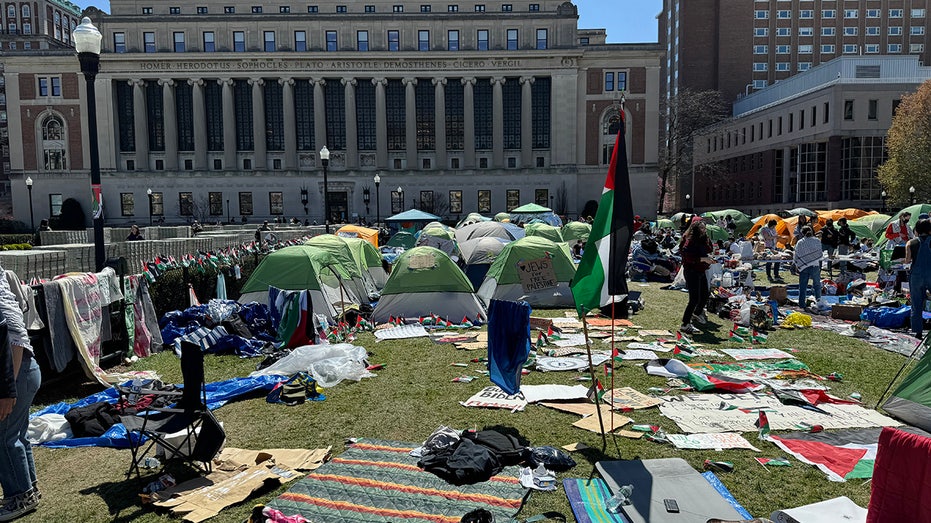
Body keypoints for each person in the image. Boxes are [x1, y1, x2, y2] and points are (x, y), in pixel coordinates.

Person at [0, 263, 42, 520]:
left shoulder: (2, 305)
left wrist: (8, 390)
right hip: (24, 370)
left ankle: (20, 496)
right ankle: (29, 490)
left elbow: (14, 338)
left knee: (4, 438)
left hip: (18, 372)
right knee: (17, 434)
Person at [678, 217, 713, 334]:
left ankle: (696, 313)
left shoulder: (703, 239)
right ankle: (685, 323)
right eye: (702, 228)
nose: (704, 230)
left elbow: (709, 248)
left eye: (705, 228)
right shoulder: (690, 240)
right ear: (696, 228)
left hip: (700, 270)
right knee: (694, 298)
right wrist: (703, 259)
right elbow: (688, 257)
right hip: (691, 270)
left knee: (705, 294)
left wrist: (707, 239)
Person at [905, 219, 931, 339]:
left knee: (916, 304)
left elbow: (907, 260)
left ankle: (918, 331)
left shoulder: (911, 243)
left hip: (916, 275)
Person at [794, 225, 823, 309]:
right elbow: (819, 253)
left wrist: (796, 264)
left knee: (803, 286)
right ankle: (819, 303)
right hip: (815, 265)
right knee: (817, 285)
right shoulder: (817, 241)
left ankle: (802, 304)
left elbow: (796, 255)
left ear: (802, 233)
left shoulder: (800, 242)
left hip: (804, 267)